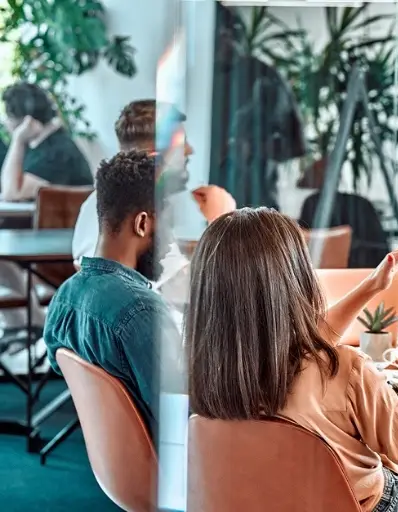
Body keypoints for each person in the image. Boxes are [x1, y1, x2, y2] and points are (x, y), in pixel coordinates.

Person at [186, 209, 398, 512]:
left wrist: (372, 284)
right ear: (295, 278)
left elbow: (297, 348)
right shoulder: (344, 371)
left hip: (268, 502)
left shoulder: (208, 374)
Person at [43, 151, 182, 432]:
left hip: (114, 460)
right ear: (142, 223)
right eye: (169, 225)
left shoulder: (64, 298)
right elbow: (180, 416)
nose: (172, 241)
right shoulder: (143, 311)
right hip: (168, 467)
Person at [72, 99, 237, 268]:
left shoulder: (106, 203)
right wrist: (220, 223)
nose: (190, 150)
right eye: (181, 144)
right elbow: (160, 282)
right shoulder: (117, 209)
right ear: (154, 155)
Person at [0, 81, 92, 201]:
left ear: (26, 122)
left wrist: (18, 139)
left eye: (9, 117)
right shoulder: (45, 147)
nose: (6, 123)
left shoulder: (56, 153)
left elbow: (11, 193)